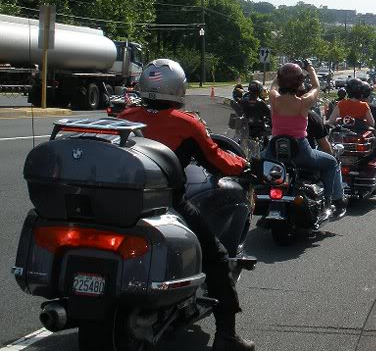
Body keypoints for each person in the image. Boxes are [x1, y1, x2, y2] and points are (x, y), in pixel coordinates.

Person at [119, 59, 255, 351]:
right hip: (167, 204)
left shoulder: (126, 115)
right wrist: (243, 163)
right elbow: (217, 159)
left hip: (121, 203)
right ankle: (227, 336)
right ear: (178, 87)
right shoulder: (186, 123)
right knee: (217, 257)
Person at [269, 62, 347, 218]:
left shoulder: (274, 99)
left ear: (280, 80)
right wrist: (310, 69)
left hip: (274, 152)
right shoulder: (303, 102)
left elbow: (273, 86)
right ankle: (335, 200)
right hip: (302, 153)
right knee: (332, 162)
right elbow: (316, 87)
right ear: (299, 82)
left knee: (255, 166)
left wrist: (281, 76)